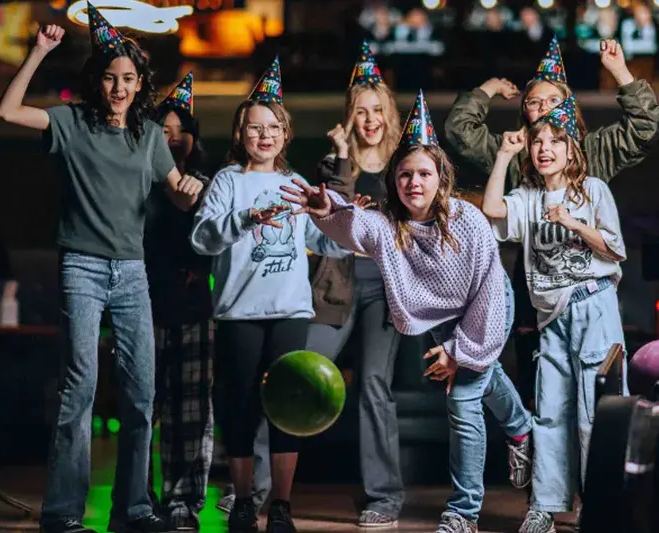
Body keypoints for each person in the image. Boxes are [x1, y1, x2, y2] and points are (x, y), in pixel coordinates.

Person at [280, 91, 533, 533]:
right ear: (394, 181)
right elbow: (353, 226)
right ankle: (521, 428)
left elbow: (490, 298)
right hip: (440, 319)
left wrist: (460, 351)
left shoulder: (467, 222)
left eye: (423, 174)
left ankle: (463, 513)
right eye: (404, 175)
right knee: (484, 379)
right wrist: (324, 211)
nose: (414, 183)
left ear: (441, 177)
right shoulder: (387, 224)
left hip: (485, 308)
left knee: (465, 399)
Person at [0, 6, 203, 533]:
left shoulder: (151, 137)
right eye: (110, 77)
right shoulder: (71, 123)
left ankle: (133, 509)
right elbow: (7, 112)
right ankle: (62, 513)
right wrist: (39, 51)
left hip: (132, 272)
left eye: (128, 79)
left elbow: (176, 194)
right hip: (82, 268)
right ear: (98, 80)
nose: (118, 87)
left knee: (140, 394)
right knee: (80, 387)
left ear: (139, 84)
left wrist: (190, 190)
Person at [190, 57, 351, 533]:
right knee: (239, 407)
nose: (265, 135)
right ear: (241, 134)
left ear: (286, 134)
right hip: (239, 312)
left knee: (290, 407)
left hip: (289, 312)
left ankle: (280, 504)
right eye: (255, 128)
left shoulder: (296, 185)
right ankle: (243, 501)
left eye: (274, 127)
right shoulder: (227, 182)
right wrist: (245, 219)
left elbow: (328, 244)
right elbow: (202, 238)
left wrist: (340, 215)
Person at [253, 40, 408, 528]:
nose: (369, 119)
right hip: (334, 288)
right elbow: (330, 219)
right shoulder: (332, 166)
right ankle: (256, 489)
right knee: (297, 376)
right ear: (349, 116)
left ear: (389, 113)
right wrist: (342, 159)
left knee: (375, 388)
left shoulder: (409, 162)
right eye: (361, 111)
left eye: (377, 109)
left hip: (387, 289)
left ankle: (384, 497)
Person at [481, 97, 627, 533]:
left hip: (593, 305)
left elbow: (615, 249)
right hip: (552, 318)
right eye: (537, 141)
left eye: (555, 141)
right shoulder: (527, 198)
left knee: (592, 412)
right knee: (549, 411)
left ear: (571, 149)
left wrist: (575, 224)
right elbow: (492, 210)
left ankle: (595, 502)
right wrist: (504, 154)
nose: (544, 148)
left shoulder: (593, 191)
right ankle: (544, 505)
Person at [444, 36, 659, 189]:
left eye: (554, 100)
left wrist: (619, 71)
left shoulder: (596, 149)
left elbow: (647, 124)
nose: (544, 107)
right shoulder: (513, 153)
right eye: (534, 102)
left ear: (570, 107)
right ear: (525, 112)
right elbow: (459, 129)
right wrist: (488, 89)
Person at [144, 72, 215, 531]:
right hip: (143, 304)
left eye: (178, 131)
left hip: (193, 307)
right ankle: (137, 495)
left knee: (190, 411)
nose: (170, 138)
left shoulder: (209, 182)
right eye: (161, 131)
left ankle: (183, 500)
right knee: (142, 407)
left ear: (193, 135)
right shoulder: (140, 179)